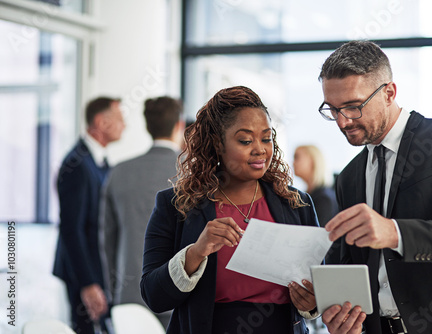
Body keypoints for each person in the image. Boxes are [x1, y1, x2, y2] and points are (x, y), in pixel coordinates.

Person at [317, 40, 432, 334]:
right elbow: (352, 266)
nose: (342, 121)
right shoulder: (350, 176)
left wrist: (394, 232)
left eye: (353, 106)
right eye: (333, 109)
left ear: (389, 92)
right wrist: (341, 315)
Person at [140, 86, 319, 334]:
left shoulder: (297, 204)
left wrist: (311, 302)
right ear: (217, 144)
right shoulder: (176, 205)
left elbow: (320, 286)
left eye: (266, 138)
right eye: (245, 140)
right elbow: (154, 296)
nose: (260, 149)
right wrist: (195, 252)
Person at [99, 96, 184, 328]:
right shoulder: (193, 171)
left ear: (147, 126)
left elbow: (107, 239)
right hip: (180, 292)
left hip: (130, 294)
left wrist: (115, 288)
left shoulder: (119, 172)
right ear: (179, 125)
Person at [53, 97, 125, 333]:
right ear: (101, 122)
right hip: (82, 273)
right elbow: (71, 229)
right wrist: (88, 283)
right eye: (119, 119)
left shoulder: (100, 162)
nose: (125, 125)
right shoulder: (76, 164)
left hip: (99, 270)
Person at [294, 145, 340, 266]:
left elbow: (317, 238)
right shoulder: (307, 195)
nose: (292, 163)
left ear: (312, 161)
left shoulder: (323, 198)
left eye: (297, 157)